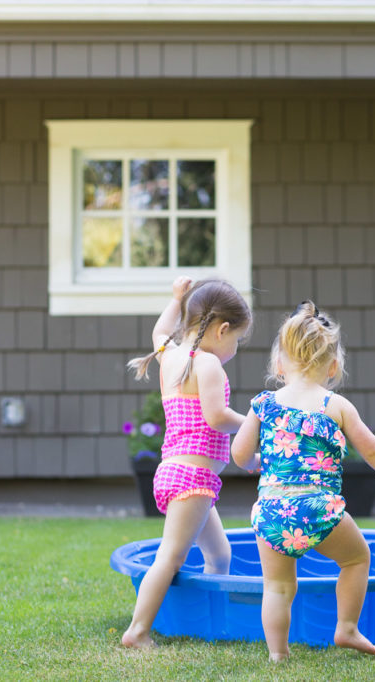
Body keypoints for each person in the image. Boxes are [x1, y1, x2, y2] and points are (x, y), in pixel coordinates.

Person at [231, 301, 375, 662]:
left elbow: (240, 455)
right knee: (356, 559)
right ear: (333, 366)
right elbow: (374, 449)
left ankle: (278, 654)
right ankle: (346, 627)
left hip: (273, 509)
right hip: (319, 508)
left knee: (277, 586)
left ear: (278, 364)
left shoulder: (263, 404)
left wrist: (259, 460)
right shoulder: (335, 406)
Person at [121, 276, 256, 649]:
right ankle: (137, 631)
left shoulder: (173, 355)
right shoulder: (207, 363)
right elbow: (216, 417)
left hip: (178, 474)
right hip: (192, 478)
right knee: (171, 556)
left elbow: (160, 331)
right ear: (222, 328)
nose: (235, 348)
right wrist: (255, 421)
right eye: (237, 340)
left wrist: (176, 299)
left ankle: (215, 623)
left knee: (219, 553)